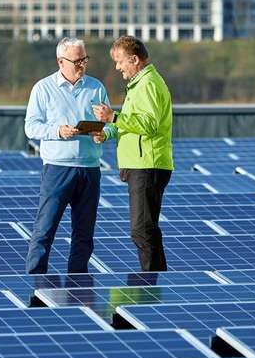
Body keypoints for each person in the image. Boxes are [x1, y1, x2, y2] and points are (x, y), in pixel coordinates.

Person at [24, 37, 111, 274]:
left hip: (90, 169)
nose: (82, 65)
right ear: (60, 61)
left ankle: (78, 285)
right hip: (57, 168)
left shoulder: (96, 87)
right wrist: (58, 131)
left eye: (85, 59)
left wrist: (103, 133)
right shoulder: (43, 88)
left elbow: (110, 124)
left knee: (84, 234)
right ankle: (34, 282)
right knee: (45, 229)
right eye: (77, 61)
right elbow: (30, 127)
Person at [92, 36, 173, 272]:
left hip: (147, 164)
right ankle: (157, 284)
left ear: (134, 59)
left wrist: (113, 117)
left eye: (120, 61)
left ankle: (152, 286)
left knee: (142, 230)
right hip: (142, 164)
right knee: (146, 229)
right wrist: (107, 133)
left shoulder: (148, 85)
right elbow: (132, 123)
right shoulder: (140, 84)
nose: (117, 67)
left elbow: (148, 125)